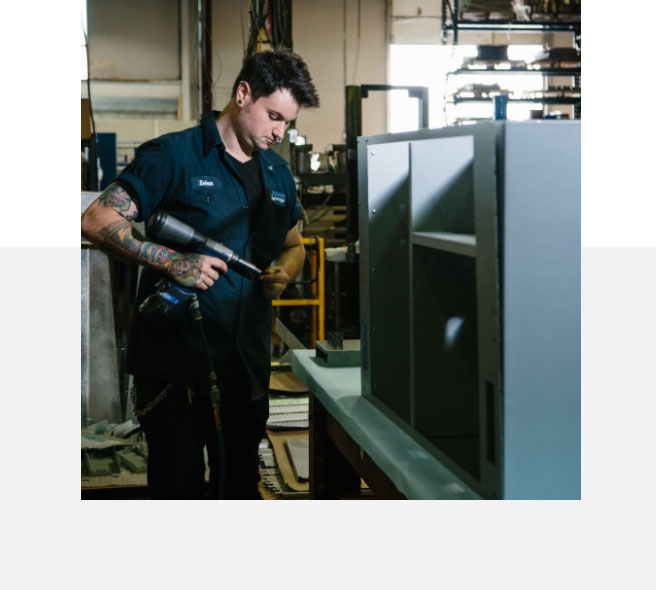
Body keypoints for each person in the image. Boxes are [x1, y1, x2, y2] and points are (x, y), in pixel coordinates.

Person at [81, 50, 320, 499]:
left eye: (287, 122)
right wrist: (172, 262)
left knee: (239, 488)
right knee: (179, 489)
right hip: (174, 371)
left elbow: (293, 246)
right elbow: (96, 219)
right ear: (243, 94)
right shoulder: (173, 156)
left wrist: (283, 273)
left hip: (245, 368)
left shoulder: (278, 174)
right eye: (273, 116)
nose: (279, 132)